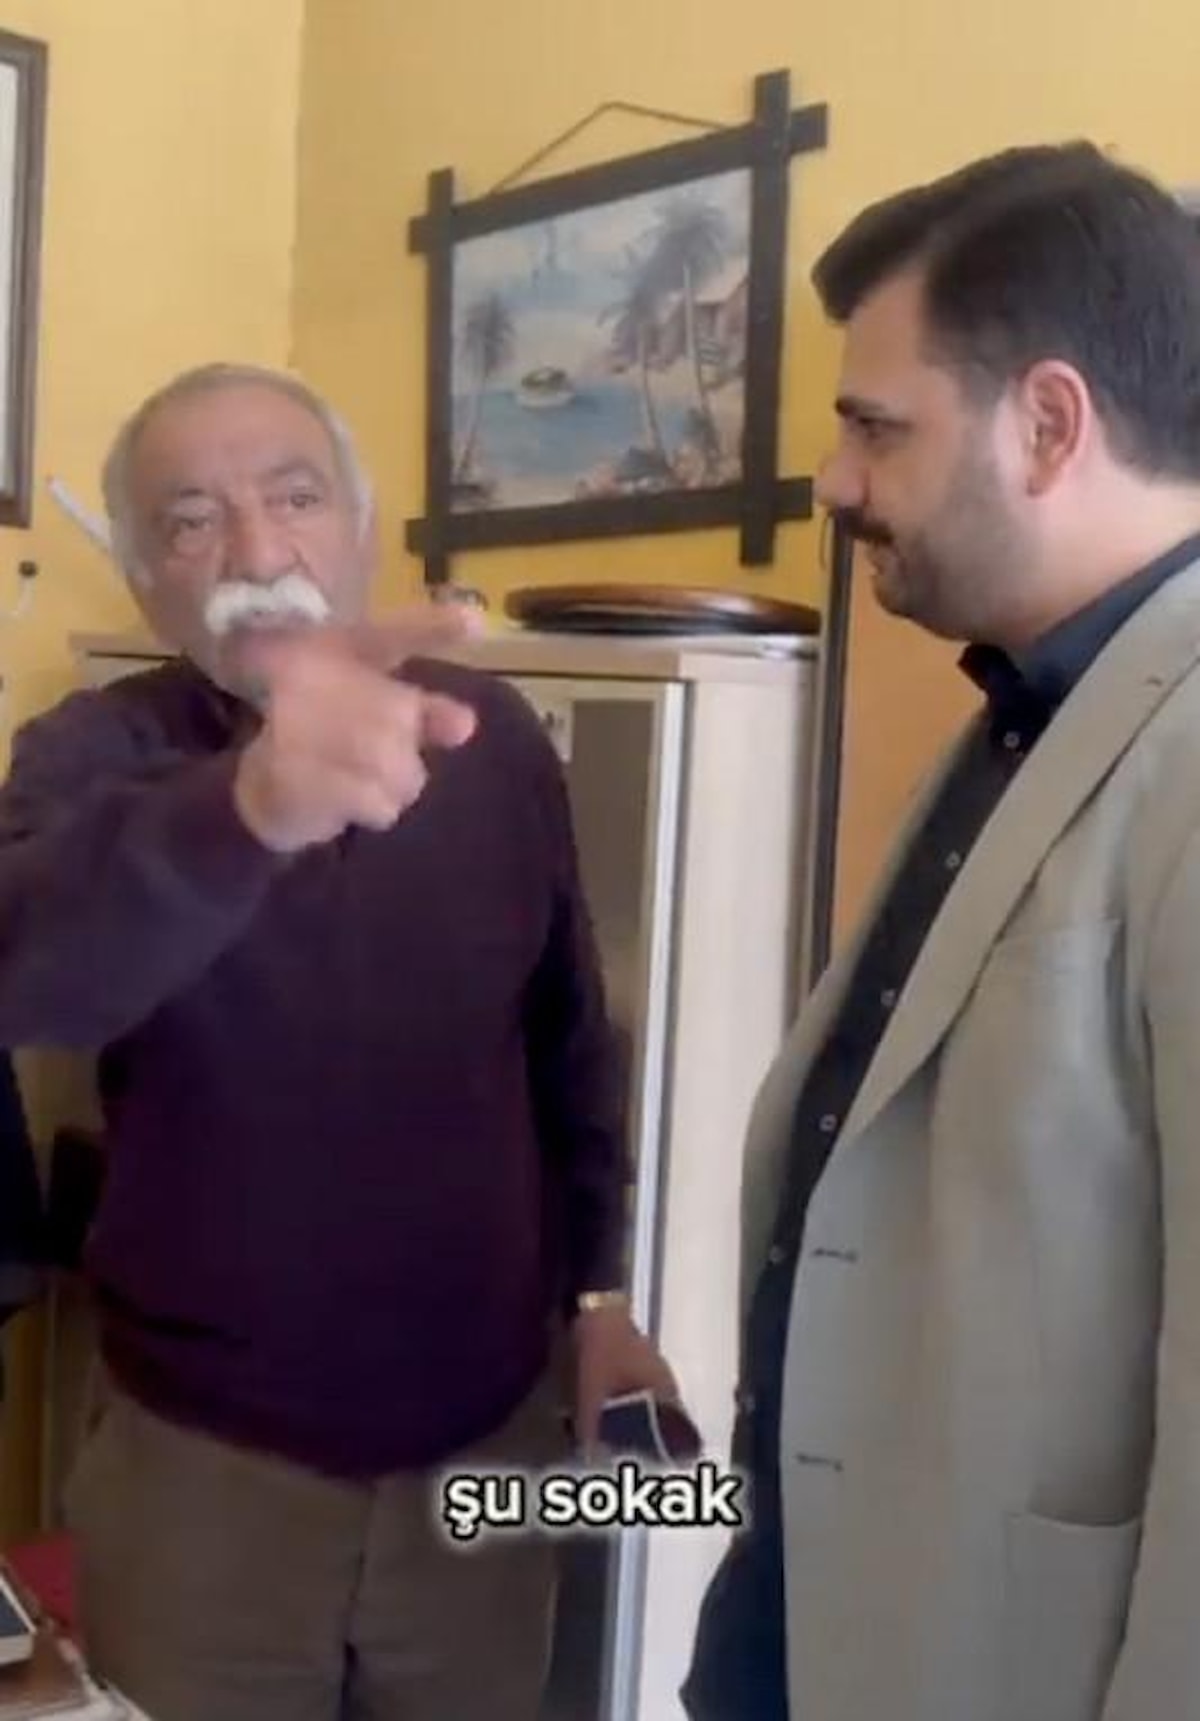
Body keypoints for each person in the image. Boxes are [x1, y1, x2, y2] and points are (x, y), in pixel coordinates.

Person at [0, 362, 677, 1721]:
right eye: (192, 521)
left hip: (483, 1453)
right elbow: (33, 977)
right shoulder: (93, 753)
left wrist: (598, 1299)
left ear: (365, 532)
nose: (258, 553)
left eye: (295, 497)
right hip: (204, 1473)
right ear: (145, 581)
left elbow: (564, 1043)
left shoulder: (495, 743)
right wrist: (248, 807)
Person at [683, 142, 1200, 1721]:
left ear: (1047, 424)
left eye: (875, 426)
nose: (835, 480)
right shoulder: (1028, 708)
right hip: (824, 1619)